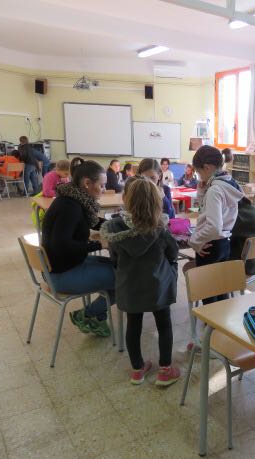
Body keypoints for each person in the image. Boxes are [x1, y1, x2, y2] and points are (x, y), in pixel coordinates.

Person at [101, 177, 181, 387]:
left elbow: (114, 258)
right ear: (157, 202)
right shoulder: (160, 228)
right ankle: (165, 370)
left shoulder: (115, 229)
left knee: (133, 325)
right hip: (158, 285)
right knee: (164, 324)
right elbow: (173, 253)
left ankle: (137, 370)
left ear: (126, 200)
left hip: (130, 285)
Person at [41, 158, 114, 336]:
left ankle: (97, 319)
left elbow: (92, 221)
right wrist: (98, 244)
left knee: (117, 266)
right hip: (62, 275)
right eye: (102, 185)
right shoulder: (70, 207)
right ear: (87, 183)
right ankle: (88, 314)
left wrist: (116, 224)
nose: (104, 190)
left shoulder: (72, 199)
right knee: (125, 277)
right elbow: (62, 246)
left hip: (63, 266)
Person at [189, 145, 244, 303]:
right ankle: (221, 318)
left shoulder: (215, 189)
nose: (199, 176)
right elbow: (209, 210)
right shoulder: (229, 183)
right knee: (220, 289)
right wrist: (202, 192)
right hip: (224, 243)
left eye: (199, 172)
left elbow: (214, 227)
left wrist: (194, 240)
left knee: (208, 297)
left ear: (207, 167)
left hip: (209, 246)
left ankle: (211, 320)